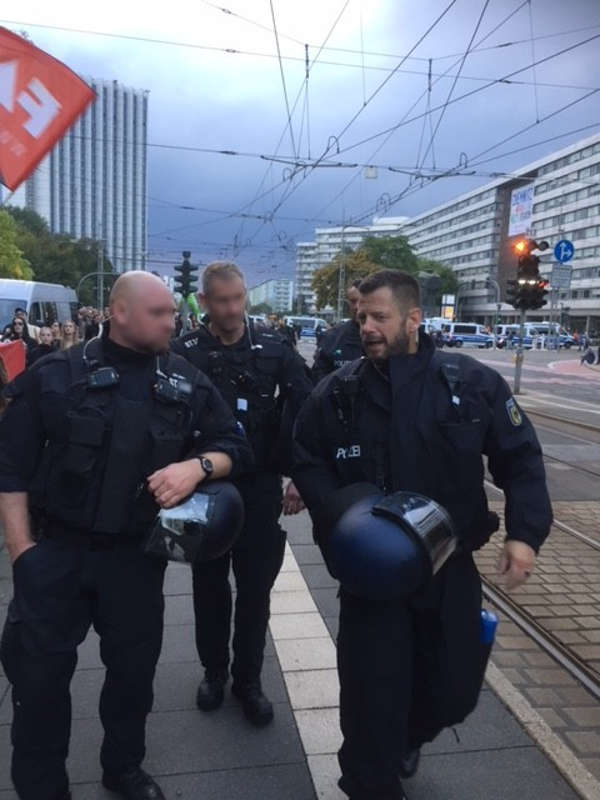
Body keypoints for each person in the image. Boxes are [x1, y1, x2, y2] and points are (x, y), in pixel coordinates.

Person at [292, 269, 553, 800]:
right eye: (362, 316)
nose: (366, 326)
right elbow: (305, 457)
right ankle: (371, 777)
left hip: (448, 568)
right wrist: (345, 518)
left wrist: (524, 534)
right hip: (373, 577)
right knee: (371, 701)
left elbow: (520, 458)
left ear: (413, 319)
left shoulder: (469, 384)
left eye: (379, 317)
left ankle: (407, 738)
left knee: (454, 693)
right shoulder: (338, 392)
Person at [0, 271, 252, 800]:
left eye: (172, 312)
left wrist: (198, 467)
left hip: (135, 561)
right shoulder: (56, 375)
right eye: (159, 313)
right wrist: (23, 554)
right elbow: (11, 469)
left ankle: (123, 767)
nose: (173, 321)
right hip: (56, 554)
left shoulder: (184, 379)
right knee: (39, 683)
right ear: (118, 313)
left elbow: (235, 444)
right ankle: (43, 787)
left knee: (133, 678)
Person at [171, 261, 313, 726]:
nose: (232, 309)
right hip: (204, 488)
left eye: (238, 299)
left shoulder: (274, 348)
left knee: (255, 592)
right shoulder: (183, 352)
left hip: (258, 487)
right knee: (209, 588)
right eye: (222, 301)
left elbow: (307, 409)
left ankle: (248, 679)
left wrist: (300, 476)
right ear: (206, 302)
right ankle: (214, 671)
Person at [311, 279, 363, 384]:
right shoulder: (332, 337)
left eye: (362, 301)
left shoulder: (390, 336)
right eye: (353, 301)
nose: (357, 306)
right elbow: (318, 378)